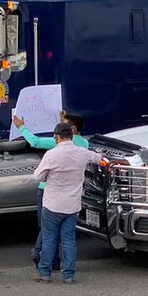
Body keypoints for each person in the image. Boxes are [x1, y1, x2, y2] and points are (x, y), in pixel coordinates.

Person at [12, 110, 89, 266]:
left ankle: (43, 257)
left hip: (48, 190)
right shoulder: (84, 144)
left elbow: (35, 142)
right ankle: (59, 264)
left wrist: (21, 127)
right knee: (66, 234)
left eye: (63, 125)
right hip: (71, 195)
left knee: (47, 227)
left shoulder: (58, 143)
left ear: (71, 130)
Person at [33, 122, 99, 284]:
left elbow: (38, 177)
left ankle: (45, 273)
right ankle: (68, 275)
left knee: (49, 239)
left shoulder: (51, 155)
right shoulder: (82, 153)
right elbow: (98, 158)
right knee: (69, 240)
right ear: (71, 135)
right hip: (72, 205)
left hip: (52, 205)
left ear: (56, 137)